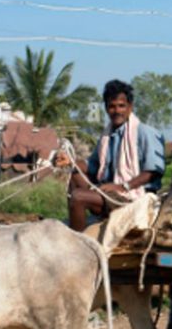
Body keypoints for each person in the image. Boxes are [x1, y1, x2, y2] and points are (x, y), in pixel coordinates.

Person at [57, 79, 165, 231]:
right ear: (107, 108)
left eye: (121, 106)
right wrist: (70, 162)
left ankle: (79, 243)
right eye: (112, 106)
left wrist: (122, 186)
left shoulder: (145, 133)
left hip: (134, 198)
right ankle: (81, 220)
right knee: (74, 174)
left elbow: (153, 172)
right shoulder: (107, 136)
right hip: (109, 192)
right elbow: (91, 165)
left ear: (130, 107)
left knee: (78, 197)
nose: (117, 111)